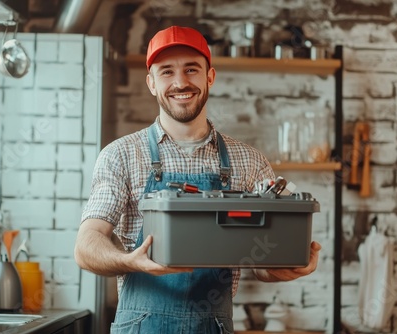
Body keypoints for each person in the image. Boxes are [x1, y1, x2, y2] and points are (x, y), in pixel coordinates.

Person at [75, 25, 322, 333]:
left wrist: (285, 269)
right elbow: (86, 245)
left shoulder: (249, 161)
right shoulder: (121, 155)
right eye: (167, 72)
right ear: (151, 83)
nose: (180, 82)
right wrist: (132, 261)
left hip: (213, 326)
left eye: (191, 69)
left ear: (210, 77)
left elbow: (261, 263)